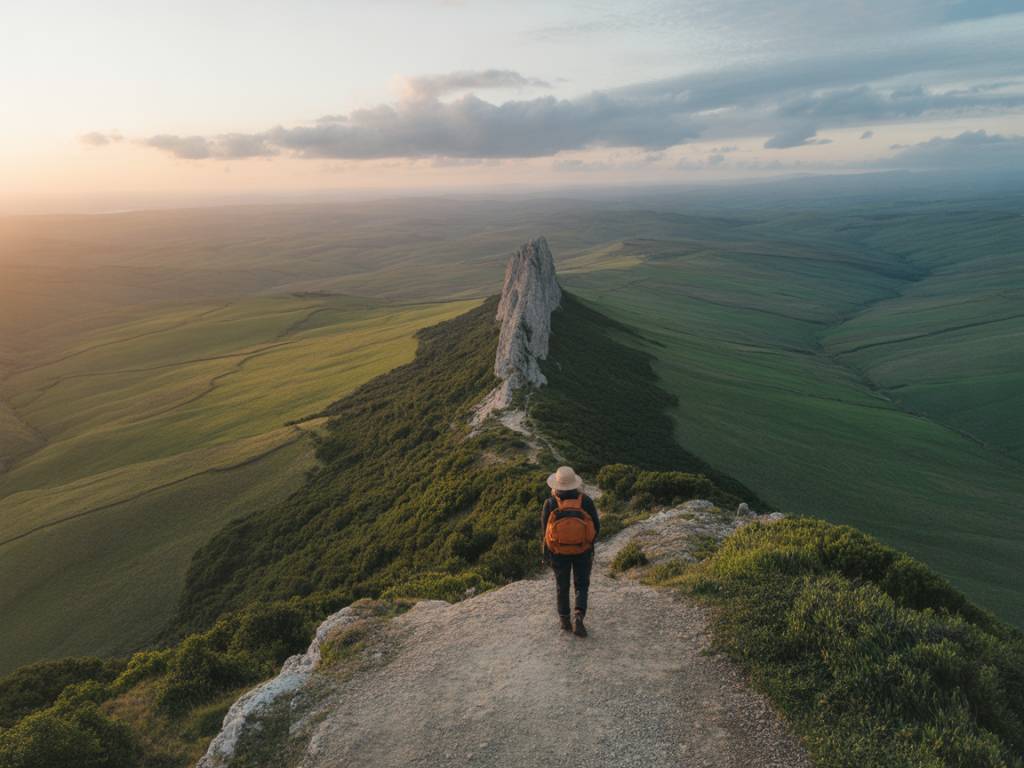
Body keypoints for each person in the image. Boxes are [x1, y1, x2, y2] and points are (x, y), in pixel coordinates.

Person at [542, 465, 600, 637]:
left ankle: (565, 620)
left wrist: (546, 553)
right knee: (581, 584)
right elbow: (596, 526)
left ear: (556, 485)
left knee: (562, 585)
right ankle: (579, 616)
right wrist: (588, 545)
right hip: (582, 550)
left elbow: (545, 531)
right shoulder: (586, 501)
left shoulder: (550, 503)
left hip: (559, 552)